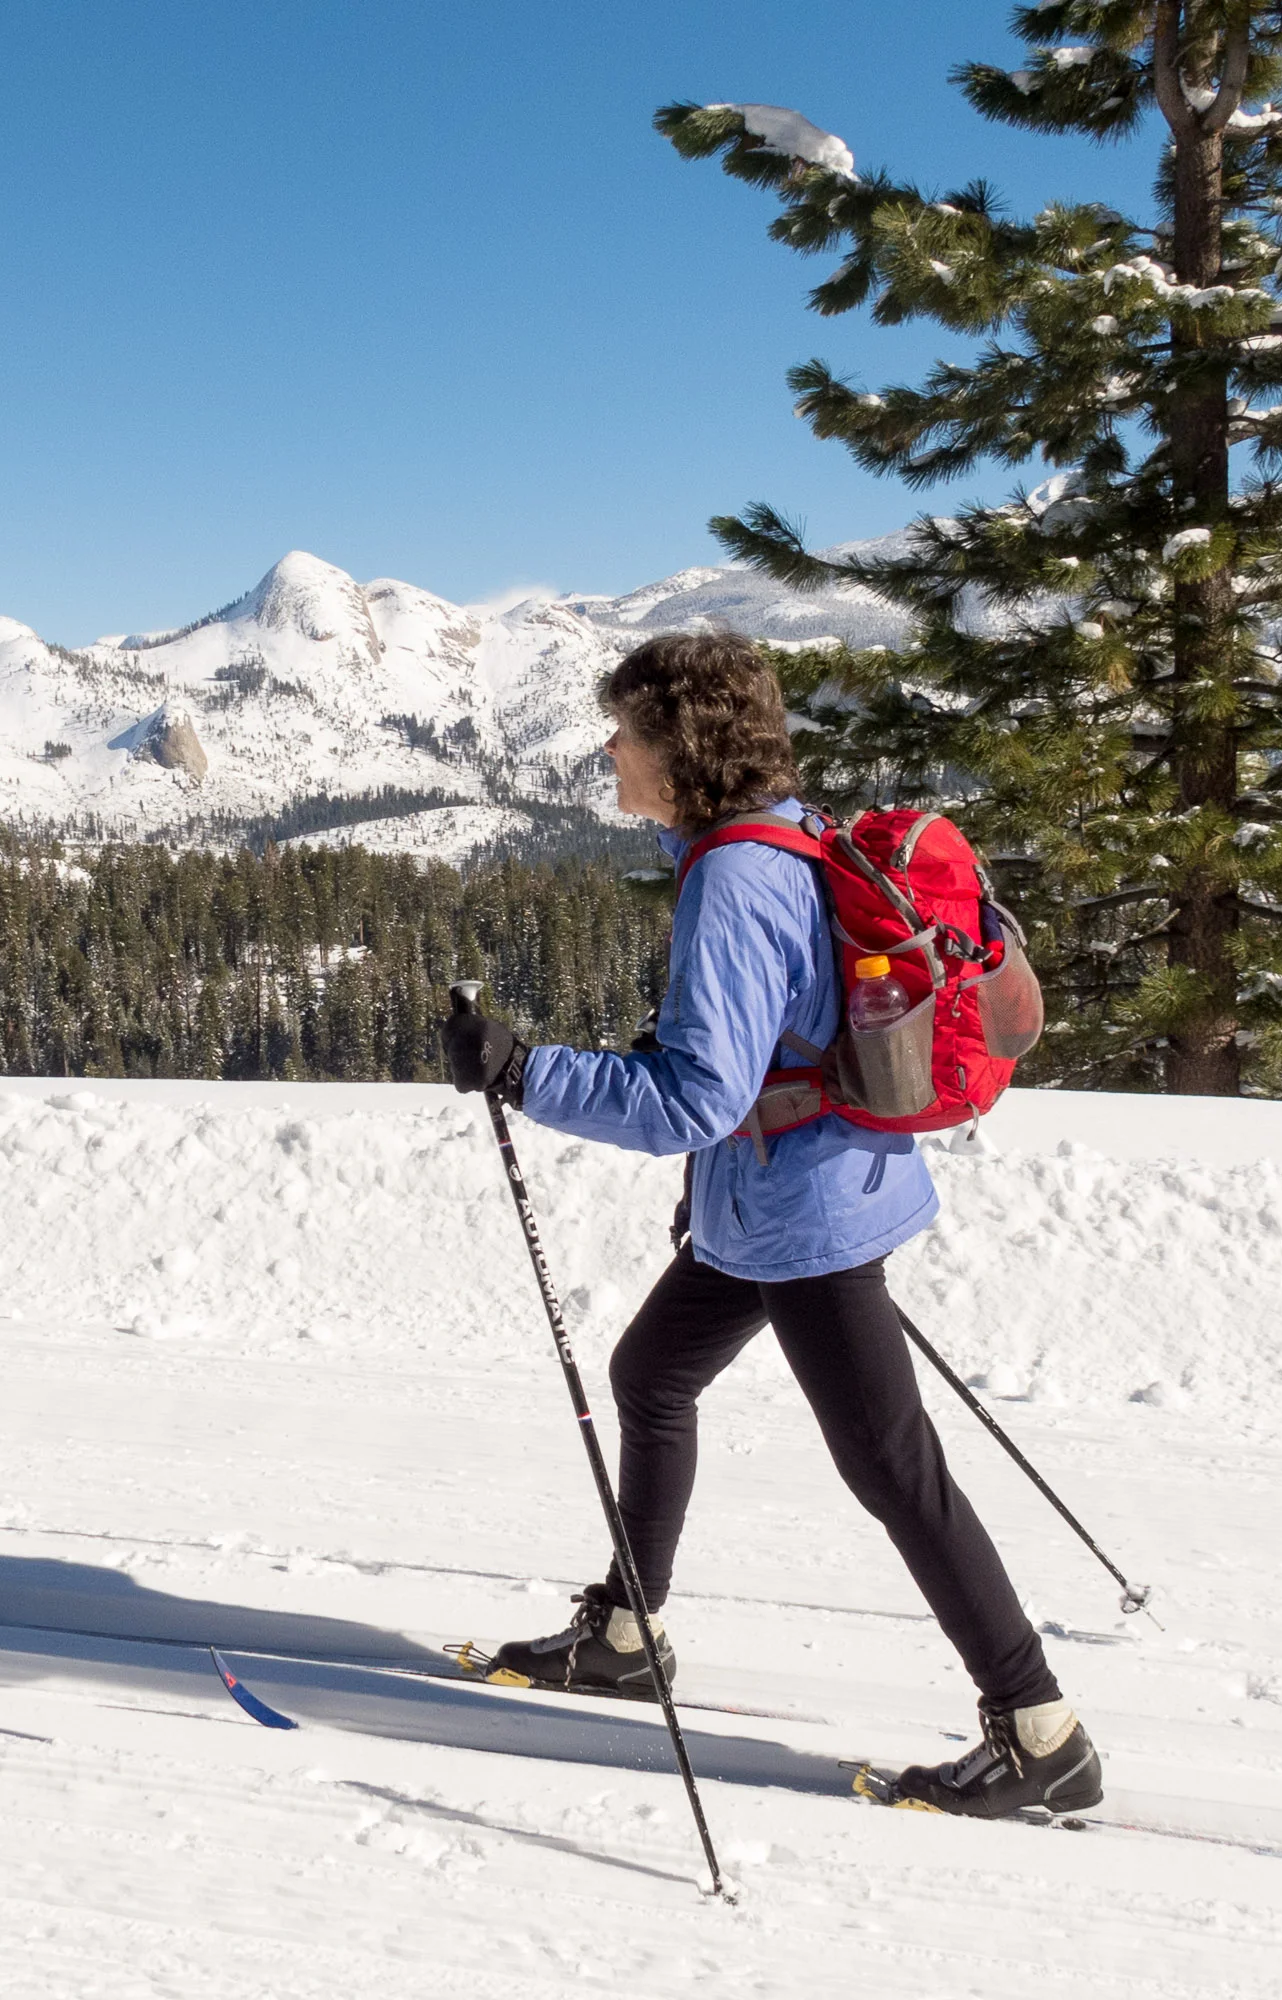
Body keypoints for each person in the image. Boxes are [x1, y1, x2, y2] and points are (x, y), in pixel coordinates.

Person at [437, 630, 1099, 1820]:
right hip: (785, 1190)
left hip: (806, 1214)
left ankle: (1038, 1728)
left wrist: (524, 1071)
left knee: (892, 1465)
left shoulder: (736, 878)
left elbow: (697, 1096)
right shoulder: (777, 835)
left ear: (683, 749)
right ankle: (627, 1636)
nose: (610, 747)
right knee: (652, 1372)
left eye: (628, 730)